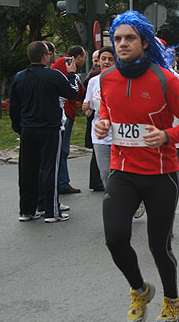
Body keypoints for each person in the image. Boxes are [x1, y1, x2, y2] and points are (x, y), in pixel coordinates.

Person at [94, 11, 179, 322]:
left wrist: (168, 135)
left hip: (160, 174)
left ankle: (172, 300)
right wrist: (103, 124)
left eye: (129, 38)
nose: (122, 44)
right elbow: (108, 114)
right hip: (123, 171)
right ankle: (139, 289)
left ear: (144, 41)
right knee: (115, 237)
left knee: (159, 245)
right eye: (117, 39)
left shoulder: (165, 79)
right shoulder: (106, 78)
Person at [9, 41, 79, 222]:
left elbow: (14, 106)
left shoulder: (19, 77)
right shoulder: (53, 75)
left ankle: (27, 210)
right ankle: (51, 211)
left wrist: (18, 127)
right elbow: (72, 93)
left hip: (27, 128)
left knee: (27, 170)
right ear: (45, 56)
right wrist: (72, 75)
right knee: (49, 168)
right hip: (49, 127)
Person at [51, 45, 86, 194]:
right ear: (78, 57)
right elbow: (75, 92)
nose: (84, 60)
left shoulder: (60, 65)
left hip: (63, 112)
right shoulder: (66, 67)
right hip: (65, 113)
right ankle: (62, 183)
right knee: (62, 149)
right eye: (84, 57)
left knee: (60, 150)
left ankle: (61, 181)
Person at [82, 46, 116, 188]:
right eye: (103, 59)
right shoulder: (93, 81)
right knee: (104, 172)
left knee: (118, 173)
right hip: (99, 134)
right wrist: (86, 108)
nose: (106, 62)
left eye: (110, 59)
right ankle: (112, 201)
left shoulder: (121, 80)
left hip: (118, 133)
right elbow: (88, 111)